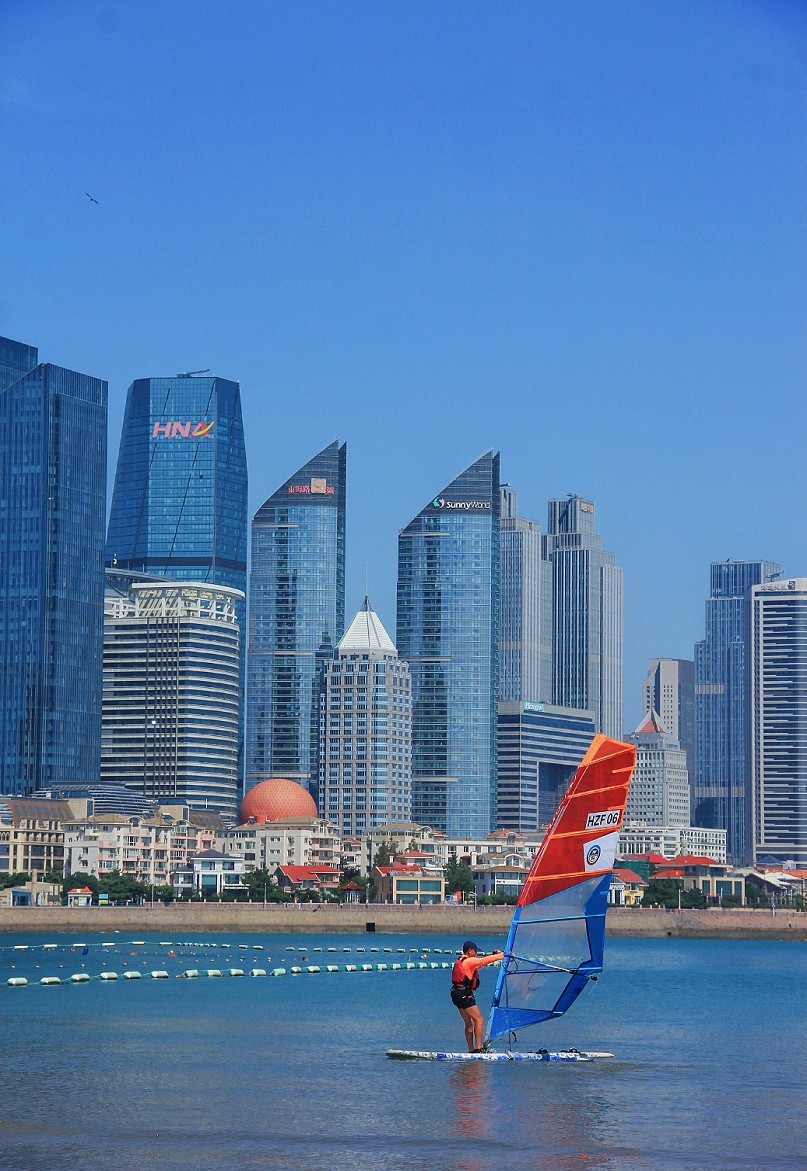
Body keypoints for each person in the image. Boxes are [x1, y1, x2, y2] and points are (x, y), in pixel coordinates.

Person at [450, 940, 505, 1052]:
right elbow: (483, 961)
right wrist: (503, 955)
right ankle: (479, 1049)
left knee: (469, 1024)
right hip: (464, 995)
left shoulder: (462, 960)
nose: (476, 953)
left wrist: (494, 955)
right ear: (470, 951)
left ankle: (471, 1050)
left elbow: (481, 960)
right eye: (475, 951)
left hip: (456, 993)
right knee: (479, 1020)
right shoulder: (469, 961)